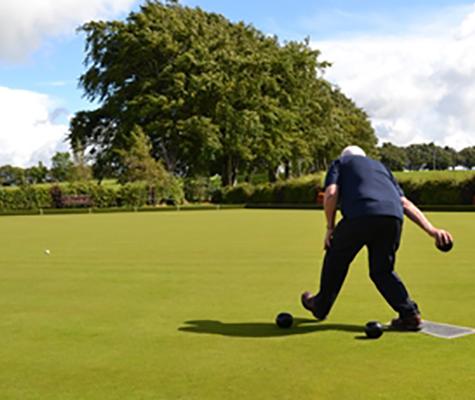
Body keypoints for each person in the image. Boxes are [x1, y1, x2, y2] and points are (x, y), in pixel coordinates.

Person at [301, 145, 453, 330]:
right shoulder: (381, 168)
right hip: (392, 219)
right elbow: (404, 202)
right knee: (382, 270)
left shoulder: (341, 163)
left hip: (358, 216)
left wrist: (330, 227)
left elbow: (331, 193)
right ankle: (409, 314)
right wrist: (432, 230)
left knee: (336, 259)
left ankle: (320, 306)